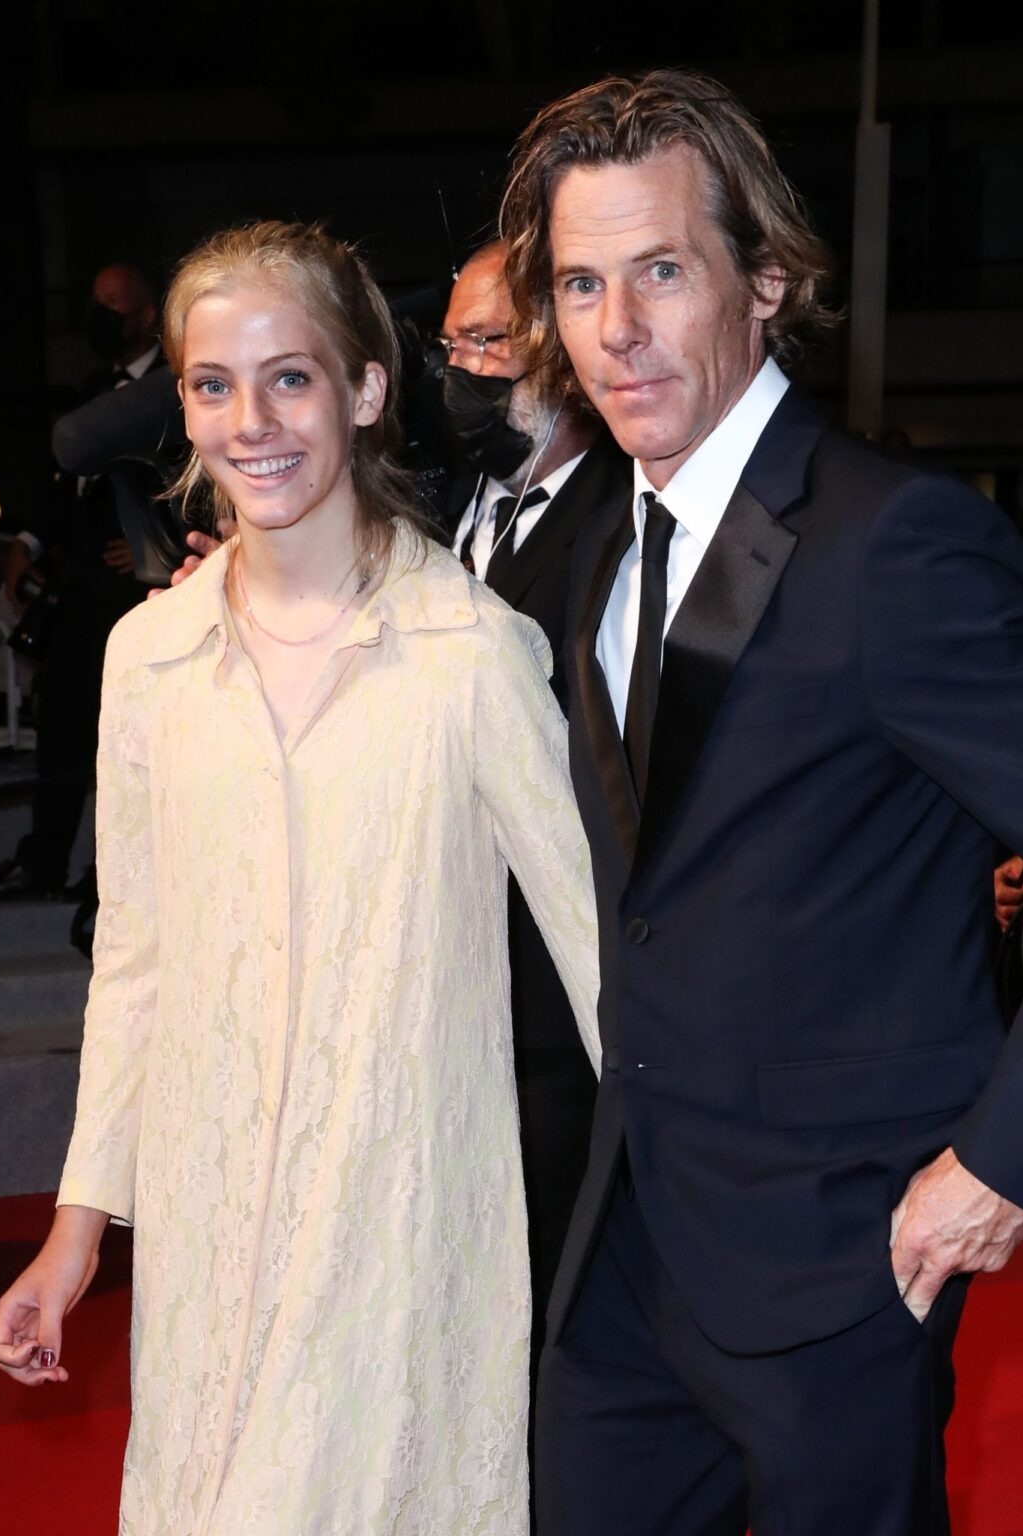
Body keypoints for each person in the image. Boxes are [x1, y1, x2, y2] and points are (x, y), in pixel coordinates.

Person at [498, 70, 1023, 1534]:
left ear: (766, 281)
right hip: (627, 1245)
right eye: (582, 284)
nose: (617, 326)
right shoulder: (602, 546)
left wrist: (1001, 1162)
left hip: (840, 1260)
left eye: (662, 270)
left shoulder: (892, 544)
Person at [0, 220, 600, 1535]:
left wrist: (721, 1218)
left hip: (395, 1230)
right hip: (205, 1238)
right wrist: (77, 1230)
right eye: (213, 384)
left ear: (367, 389)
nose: (250, 423)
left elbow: (602, 956)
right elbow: (136, 963)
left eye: (290, 378)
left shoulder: (470, 653)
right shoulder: (149, 659)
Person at [439, 241, 628, 1340]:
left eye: (487, 342)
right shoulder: (428, 506)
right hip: (440, 978)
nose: (460, 370)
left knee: (551, 1308)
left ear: (561, 358)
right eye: (450, 343)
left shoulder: (624, 519)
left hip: (554, 997)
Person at [0, 262, 162, 902]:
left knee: (134, 743)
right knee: (63, 729)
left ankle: (115, 880)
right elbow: (66, 485)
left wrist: (155, 544)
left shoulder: (181, 385)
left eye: (114, 306)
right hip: (84, 596)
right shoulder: (93, 390)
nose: (100, 319)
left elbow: (201, 479)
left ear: (148, 315)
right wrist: (27, 542)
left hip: (147, 598)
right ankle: (43, 862)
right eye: (95, 303)